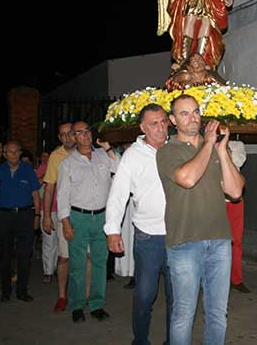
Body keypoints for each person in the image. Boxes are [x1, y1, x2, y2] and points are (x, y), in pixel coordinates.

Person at [156, 94, 245, 345]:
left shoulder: (214, 149)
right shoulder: (167, 151)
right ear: (173, 119)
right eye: (184, 114)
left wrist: (221, 151)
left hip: (219, 241)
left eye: (195, 111)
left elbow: (236, 191)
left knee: (218, 313)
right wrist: (208, 144)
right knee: (184, 314)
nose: (192, 118)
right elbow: (187, 178)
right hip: (185, 242)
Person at [105, 104, 173, 345]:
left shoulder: (177, 148)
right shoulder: (133, 155)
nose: (160, 127)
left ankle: (173, 341)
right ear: (143, 127)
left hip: (179, 236)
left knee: (178, 298)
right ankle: (141, 340)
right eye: (154, 123)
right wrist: (112, 230)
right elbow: (117, 194)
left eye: (164, 121)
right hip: (149, 238)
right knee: (145, 296)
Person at [57, 121, 119, 323]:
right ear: (73, 138)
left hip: (102, 217)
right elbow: (63, 195)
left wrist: (108, 148)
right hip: (79, 217)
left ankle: (97, 304)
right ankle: (76, 305)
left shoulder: (102, 155)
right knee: (78, 264)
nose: (85, 135)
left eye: (87, 131)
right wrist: (66, 223)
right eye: (79, 133)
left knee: (100, 262)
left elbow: (119, 168)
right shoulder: (67, 163)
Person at [0, 141, 41, 302]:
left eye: (16, 151)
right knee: (5, 255)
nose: (14, 154)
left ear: (20, 153)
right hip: (4, 216)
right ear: (4, 154)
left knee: (24, 255)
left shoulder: (27, 170)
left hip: (25, 215)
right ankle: (6, 291)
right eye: (10, 152)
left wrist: (37, 216)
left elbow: (36, 195)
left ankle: (22, 291)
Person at [42, 122, 76, 310]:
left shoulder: (87, 151)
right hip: (63, 213)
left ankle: (83, 294)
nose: (66, 138)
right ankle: (62, 295)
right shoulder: (56, 156)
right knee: (64, 256)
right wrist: (47, 216)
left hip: (84, 212)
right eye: (62, 135)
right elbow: (49, 188)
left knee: (85, 257)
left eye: (69, 133)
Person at [225, 140, 250, 293]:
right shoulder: (206, 143)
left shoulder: (237, 145)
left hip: (234, 201)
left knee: (236, 241)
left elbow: (237, 162)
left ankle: (236, 279)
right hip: (213, 201)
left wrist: (225, 151)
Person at [34, 150, 56, 283]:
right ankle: (48, 271)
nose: (46, 158)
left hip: (62, 208)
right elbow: (35, 185)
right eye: (43, 156)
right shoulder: (41, 168)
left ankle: (57, 269)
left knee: (60, 242)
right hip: (46, 209)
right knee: (48, 242)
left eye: (48, 156)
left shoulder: (60, 163)